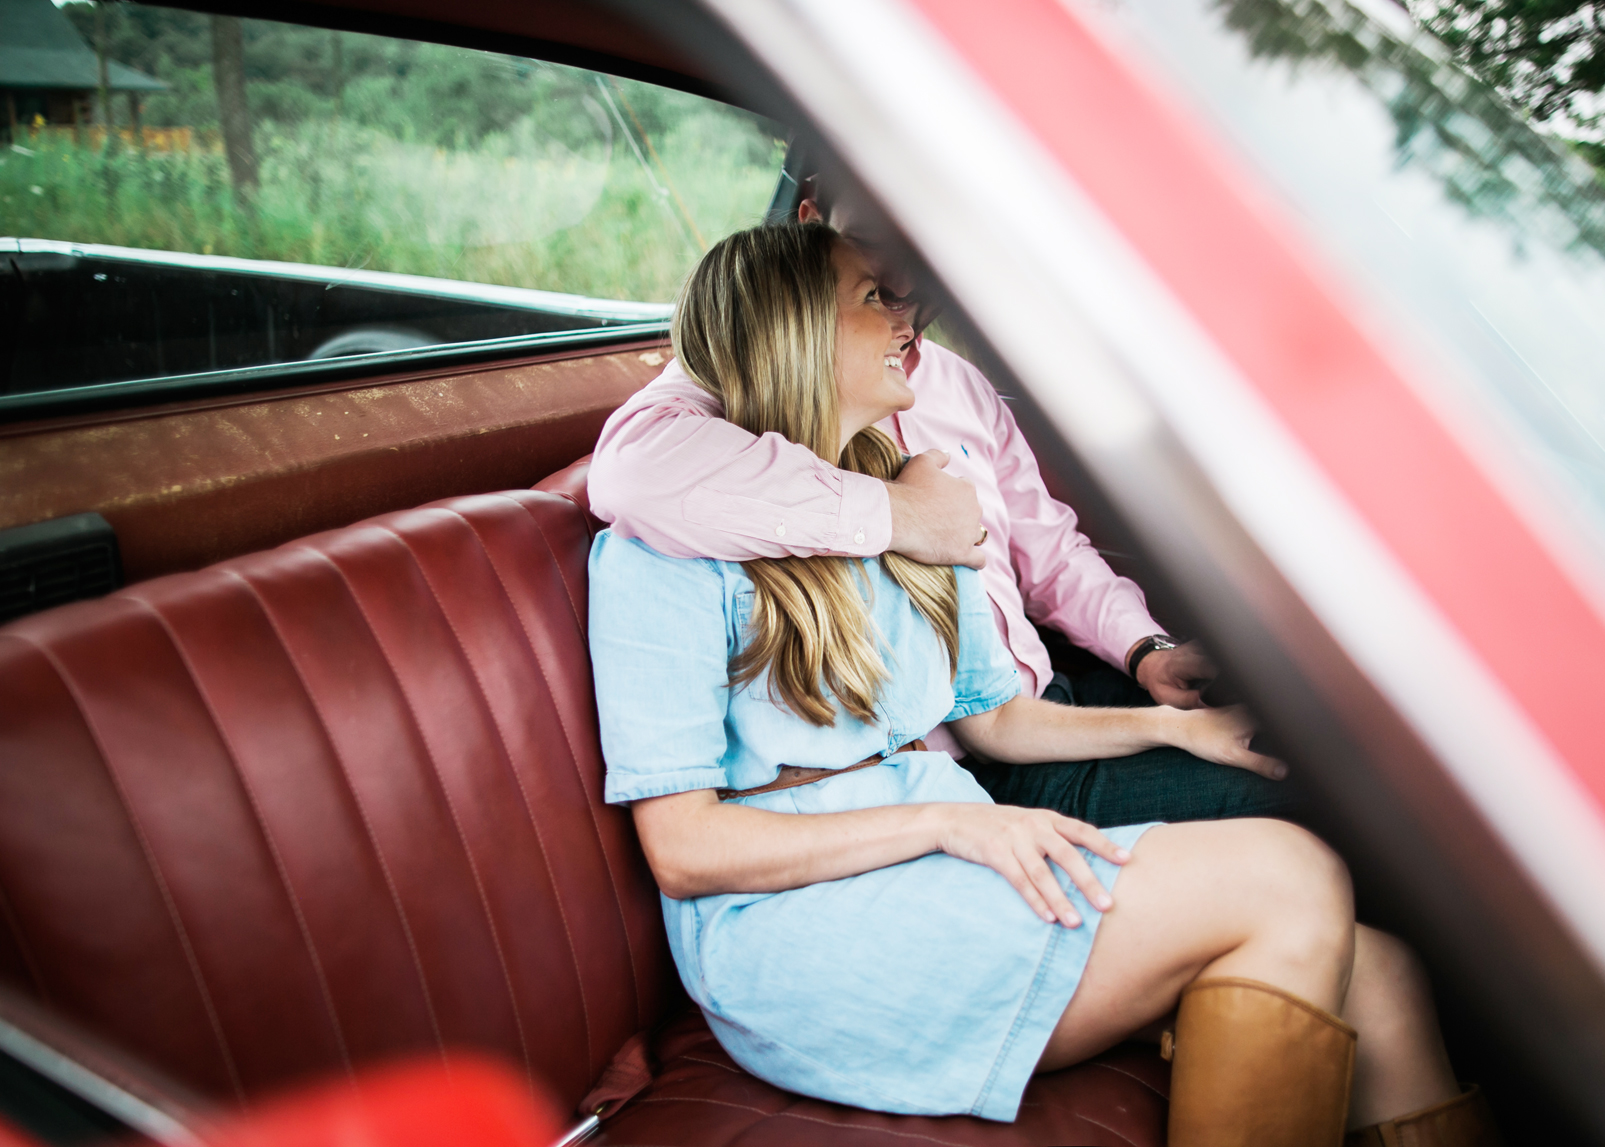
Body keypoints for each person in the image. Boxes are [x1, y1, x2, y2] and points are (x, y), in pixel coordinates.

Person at [587, 222, 1498, 1144]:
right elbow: (687, 850)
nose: (905, 315)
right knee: (1292, 871)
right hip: (800, 934)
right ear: (794, 330)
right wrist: (950, 820)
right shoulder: (660, 552)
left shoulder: (918, 510)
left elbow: (999, 721)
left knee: (1380, 972)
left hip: (943, 859)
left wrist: (1175, 729)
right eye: (872, 297)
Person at [585, 159, 1300, 830]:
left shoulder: (958, 386)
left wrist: (1145, 650)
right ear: (809, 227)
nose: (899, 272)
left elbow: (1047, 549)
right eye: (871, 246)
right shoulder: (731, 387)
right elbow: (630, 472)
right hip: (956, 760)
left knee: (1293, 748)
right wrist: (902, 516)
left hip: (1037, 701)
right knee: (1279, 803)